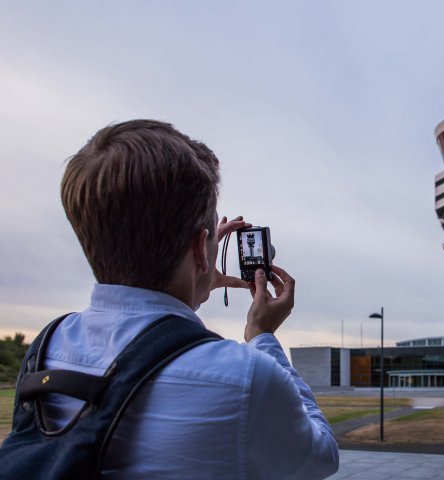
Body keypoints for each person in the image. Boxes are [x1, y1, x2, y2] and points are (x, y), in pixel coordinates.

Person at [43, 119, 339, 479]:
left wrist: (194, 281)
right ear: (202, 247)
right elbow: (321, 456)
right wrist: (262, 335)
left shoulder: (48, 348)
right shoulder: (243, 377)